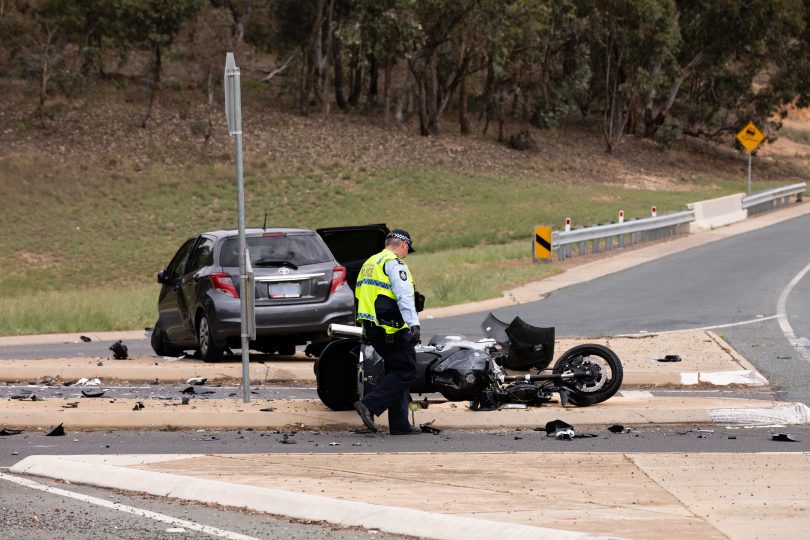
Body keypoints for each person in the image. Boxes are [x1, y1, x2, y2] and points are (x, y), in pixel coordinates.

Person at [353, 229, 422, 435]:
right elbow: (404, 296)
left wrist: (363, 326)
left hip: (373, 327)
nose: (407, 254)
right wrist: (413, 324)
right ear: (403, 245)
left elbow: (360, 296)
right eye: (408, 249)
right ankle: (369, 405)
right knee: (408, 370)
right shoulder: (394, 263)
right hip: (390, 327)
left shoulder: (370, 263)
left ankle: (400, 424)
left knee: (397, 370)